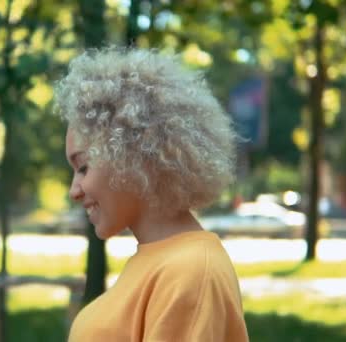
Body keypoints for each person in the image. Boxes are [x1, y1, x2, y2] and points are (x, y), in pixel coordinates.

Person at [54, 47, 249, 342]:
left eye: (83, 167)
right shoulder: (163, 260)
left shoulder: (191, 270)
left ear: (133, 154)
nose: (74, 191)